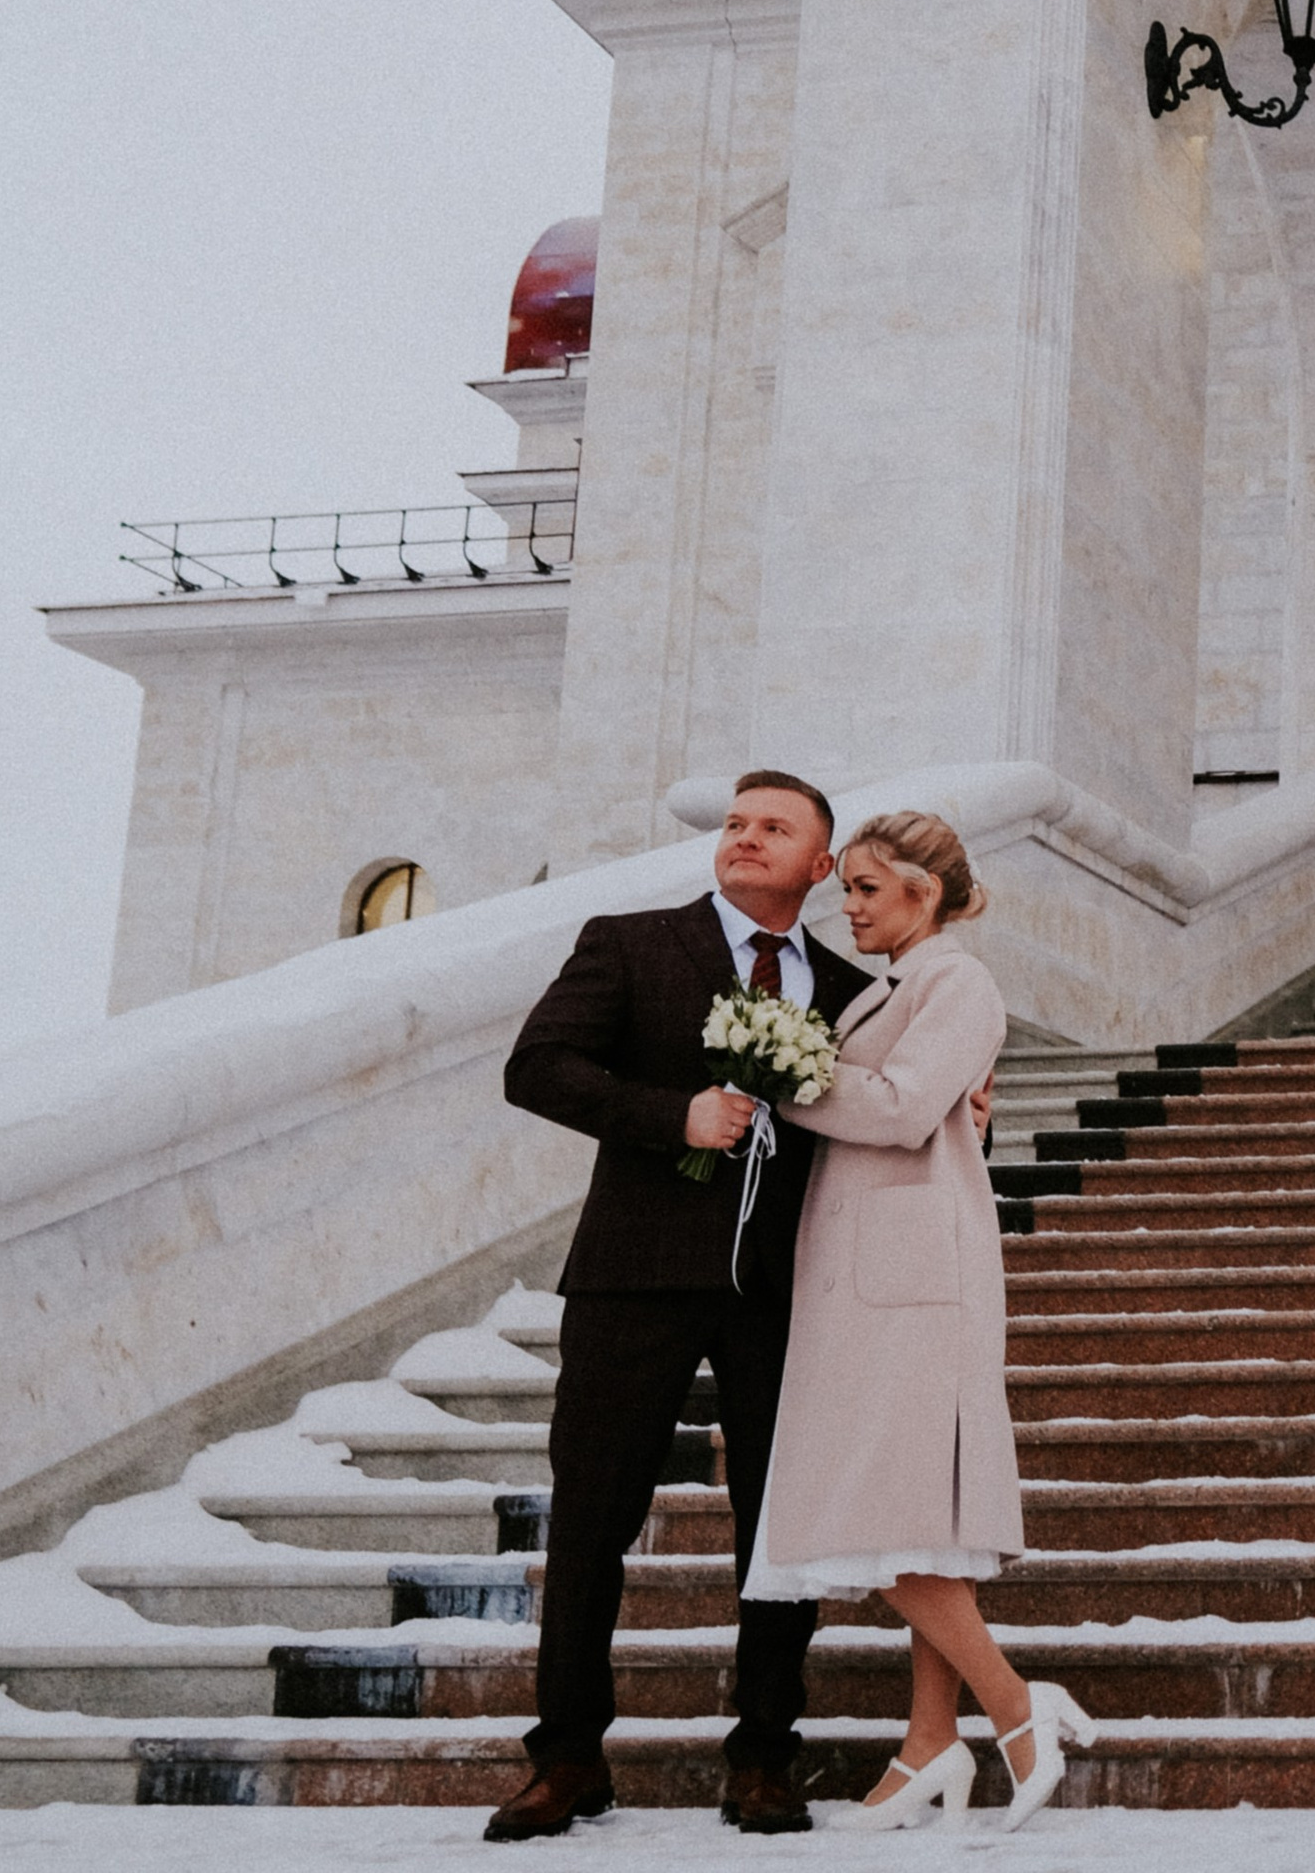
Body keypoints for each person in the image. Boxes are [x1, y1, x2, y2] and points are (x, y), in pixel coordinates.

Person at [485, 769, 874, 1841]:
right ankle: (566, 1758)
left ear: (820, 866)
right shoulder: (628, 941)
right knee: (593, 1518)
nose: (746, 838)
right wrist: (673, 1117)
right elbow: (538, 1067)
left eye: (775, 828)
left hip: (782, 1292)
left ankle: (762, 1756)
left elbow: (887, 1122)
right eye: (737, 823)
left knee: (777, 1530)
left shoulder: (849, 991)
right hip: (632, 1276)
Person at [743, 809, 1097, 1829]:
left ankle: (1017, 1708)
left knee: (883, 1513)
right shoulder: (901, 982)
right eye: (843, 887)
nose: (845, 906)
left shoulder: (956, 980)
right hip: (873, 1273)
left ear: (922, 891)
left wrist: (784, 1075)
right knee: (916, 1521)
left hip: (912, 1284)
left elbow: (900, 1110)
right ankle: (928, 1747)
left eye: (862, 887)